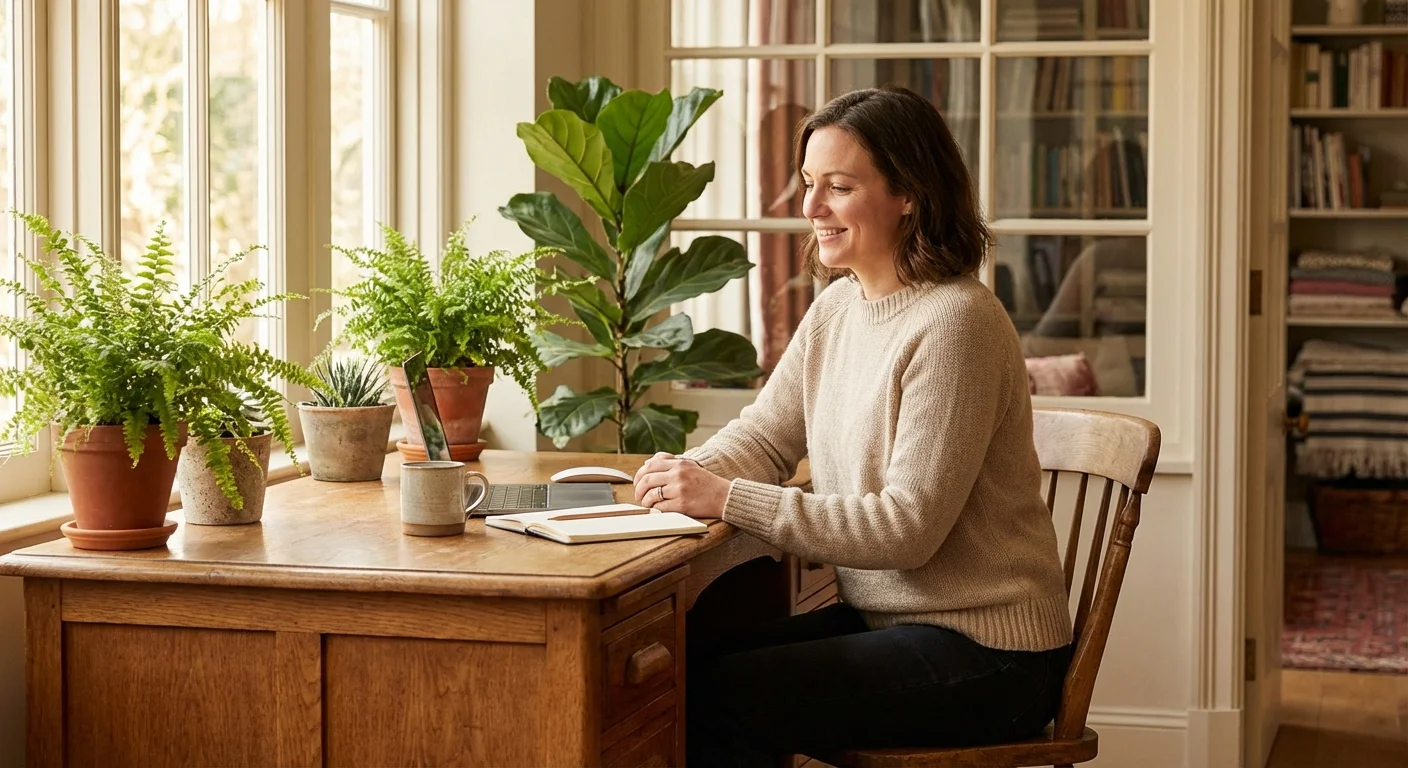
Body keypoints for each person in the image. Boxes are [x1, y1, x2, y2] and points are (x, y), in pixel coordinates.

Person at [631, 85, 1074, 766]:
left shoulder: (957, 323)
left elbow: (908, 528)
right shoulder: (840, 308)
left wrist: (725, 499)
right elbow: (767, 436)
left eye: (837, 187)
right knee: (683, 673)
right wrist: (676, 478)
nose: (810, 208)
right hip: (893, 625)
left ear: (909, 195)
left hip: (993, 655)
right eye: (809, 184)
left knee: (721, 695)